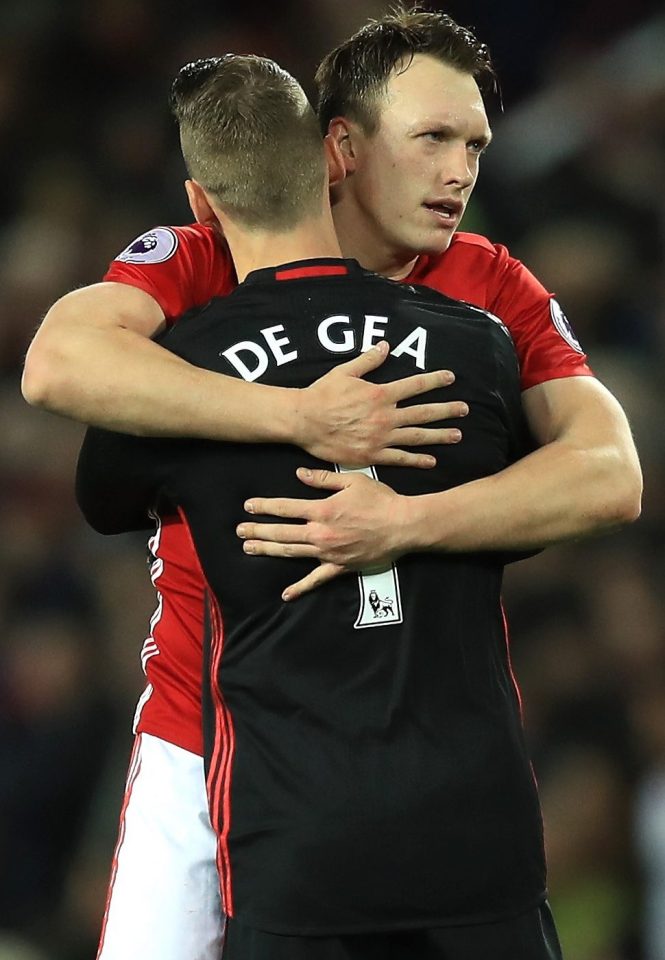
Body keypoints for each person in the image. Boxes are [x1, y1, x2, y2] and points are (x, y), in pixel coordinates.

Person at [21, 6, 642, 960]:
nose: (460, 171)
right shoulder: (206, 258)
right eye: (431, 138)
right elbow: (58, 362)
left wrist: (406, 523)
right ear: (338, 148)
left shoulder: (482, 281)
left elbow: (608, 471)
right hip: (206, 725)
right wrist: (300, 415)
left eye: (474, 143)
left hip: (409, 741)